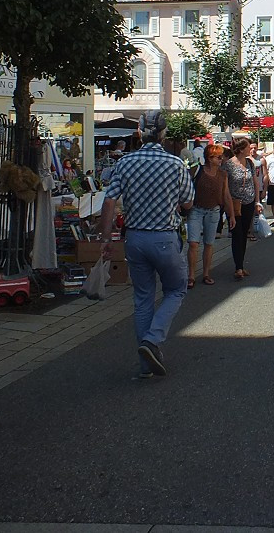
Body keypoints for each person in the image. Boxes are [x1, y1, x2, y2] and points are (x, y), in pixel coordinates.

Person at [99, 111, 194, 378]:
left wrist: (106, 239)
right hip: (164, 237)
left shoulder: (126, 163)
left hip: (135, 239)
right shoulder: (175, 164)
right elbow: (188, 203)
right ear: (163, 134)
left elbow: (109, 201)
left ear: (139, 132)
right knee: (176, 290)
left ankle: (145, 366)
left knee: (142, 300)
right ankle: (153, 339)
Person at [186, 144, 230, 288]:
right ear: (210, 158)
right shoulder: (198, 170)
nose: (221, 159)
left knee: (209, 243)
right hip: (196, 210)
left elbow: (226, 195)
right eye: (218, 157)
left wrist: (232, 216)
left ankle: (206, 273)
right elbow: (185, 185)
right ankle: (191, 275)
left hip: (214, 211)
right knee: (193, 243)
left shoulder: (223, 175)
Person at [225, 137, 258, 281]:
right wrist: (227, 206)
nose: (250, 149)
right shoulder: (228, 165)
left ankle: (241, 264)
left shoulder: (250, 162)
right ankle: (238, 267)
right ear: (241, 149)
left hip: (249, 202)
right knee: (237, 233)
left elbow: (255, 182)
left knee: (244, 233)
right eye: (247, 147)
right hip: (234, 204)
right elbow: (225, 187)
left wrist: (257, 201)